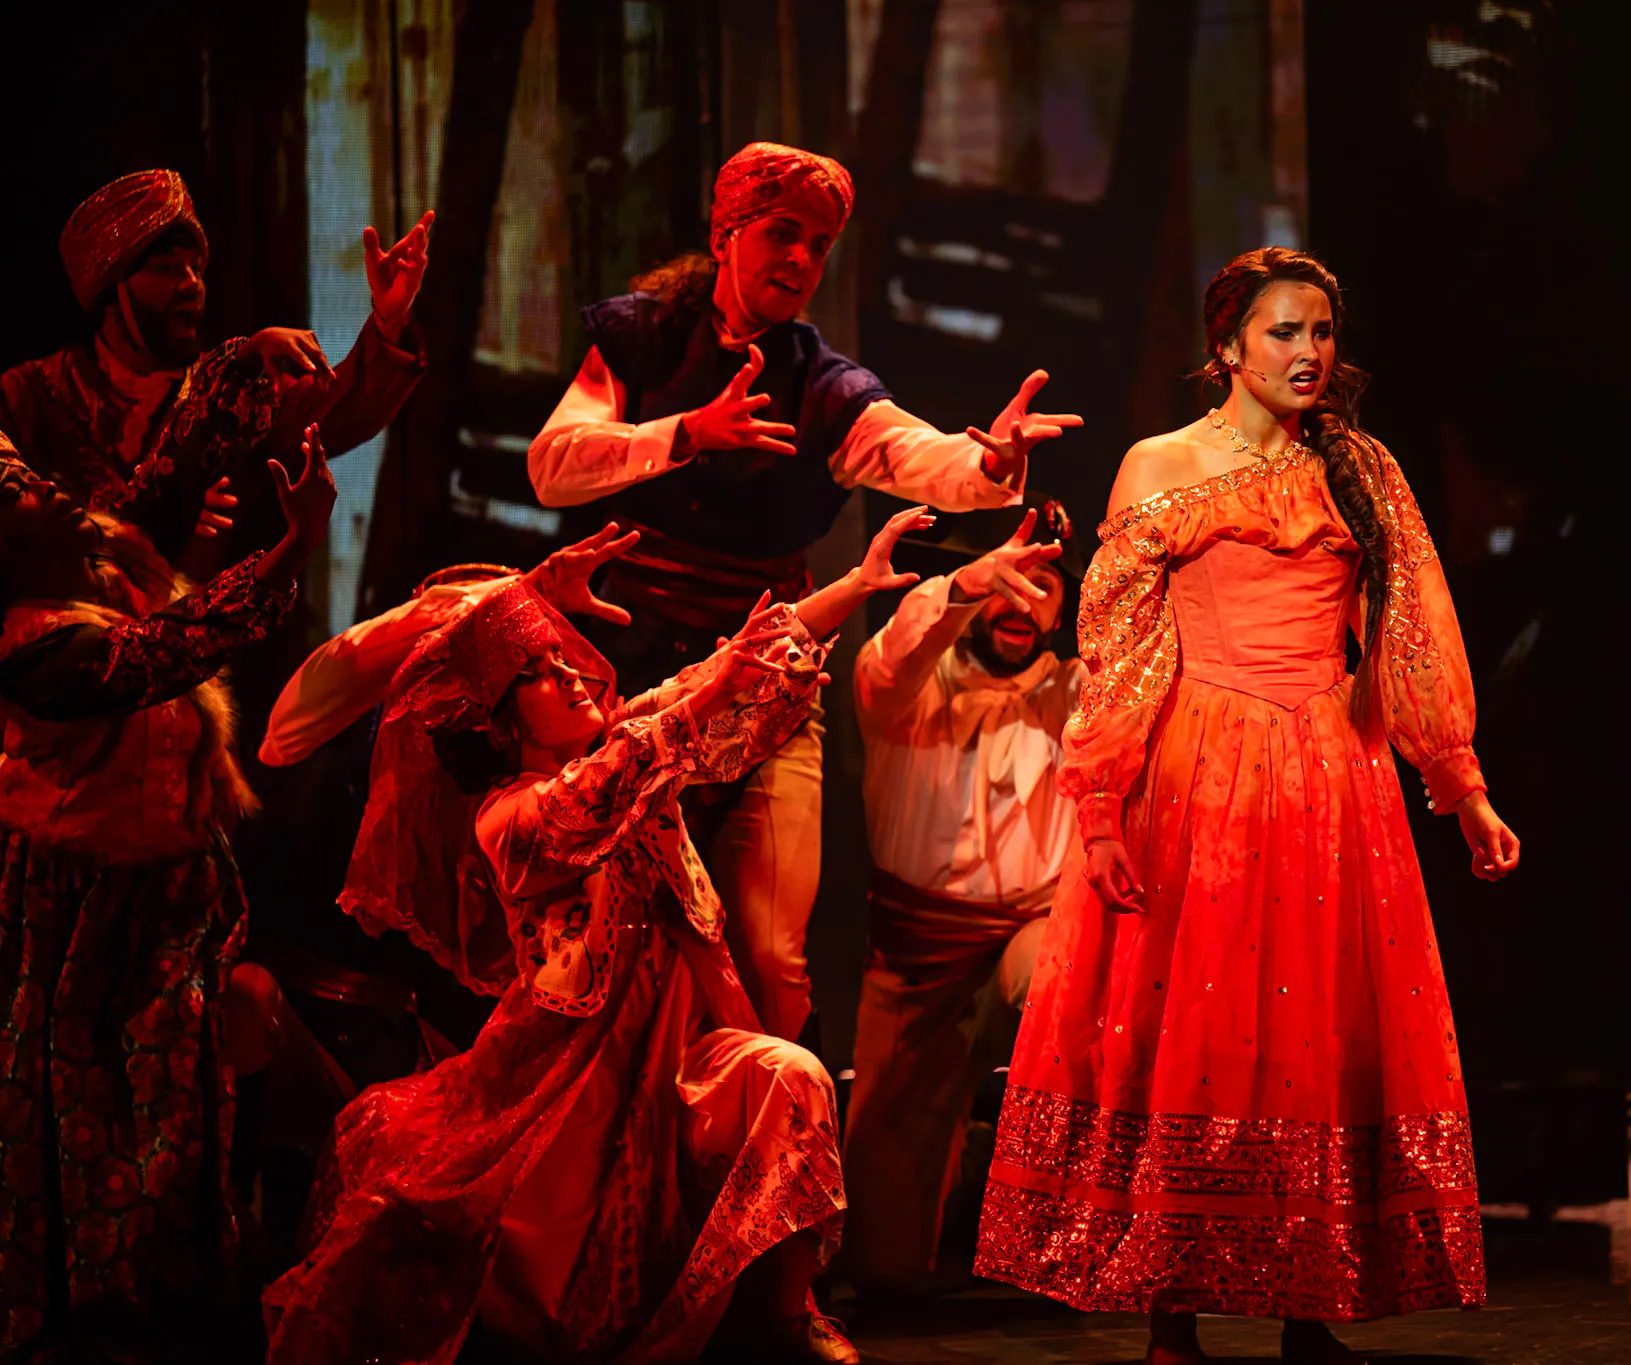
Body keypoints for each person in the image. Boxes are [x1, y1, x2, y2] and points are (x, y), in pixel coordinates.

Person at [973, 247, 1523, 1365]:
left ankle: (1304, 1300)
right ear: (1225, 346)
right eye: (1281, 332)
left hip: (1333, 769)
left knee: (1311, 1032)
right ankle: (1170, 1308)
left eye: (1319, 332)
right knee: (1194, 1032)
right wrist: (1096, 806)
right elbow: (1120, 649)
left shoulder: (1359, 469)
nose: (1307, 353)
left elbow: (1412, 633)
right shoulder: (1160, 467)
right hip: (1199, 768)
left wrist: (1458, 790)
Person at [262, 506, 942, 1365]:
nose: (576, 677)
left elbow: (721, 676)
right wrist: (687, 697)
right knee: (554, 1287)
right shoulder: (509, 816)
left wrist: (853, 584)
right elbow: (617, 779)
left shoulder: (630, 741)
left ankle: (785, 1313)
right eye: (541, 674)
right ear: (503, 722)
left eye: (566, 659)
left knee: (792, 1075)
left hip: (684, 1049)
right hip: (571, 1082)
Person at [527, 141, 1082, 1042]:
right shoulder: (639, 336)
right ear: (726, 233)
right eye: (782, 234)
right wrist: (684, 433)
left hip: (760, 687)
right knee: (598, 946)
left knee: (769, 956)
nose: (799, 260)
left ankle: (775, 1165)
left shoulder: (823, 386)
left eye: (818, 245)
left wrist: (991, 460)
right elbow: (553, 466)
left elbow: (915, 453)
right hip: (618, 680)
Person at [0, 412, 336, 1364]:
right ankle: (98, 1311)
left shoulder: (102, 554)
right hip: (86, 912)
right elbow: (173, 651)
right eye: (17, 487)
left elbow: (173, 461)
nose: (45, 483)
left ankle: (182, 1280)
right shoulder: (36, 648)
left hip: (173, 890)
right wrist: (299, 539)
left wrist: (248, 359)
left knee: (185, 1095)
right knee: (97, 1108)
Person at [840, 496, 1087, 1292]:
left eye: (1044, 584)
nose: (1023, 602)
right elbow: (896, 654)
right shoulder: (903, 684)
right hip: (917, 954)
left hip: (1031, 930)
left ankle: (1060, 1244)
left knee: (1072, 989)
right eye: (1007, 580)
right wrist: (957, 589)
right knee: (881, 1254)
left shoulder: (1079, 692)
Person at [0, 169, 430, 580]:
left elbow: (337, 411)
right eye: (166, 268)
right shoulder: (30, 397)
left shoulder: (226, 395)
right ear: (112, 291)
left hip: (206, 649)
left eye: (196, 268)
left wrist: (389, 320)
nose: (191, 284)